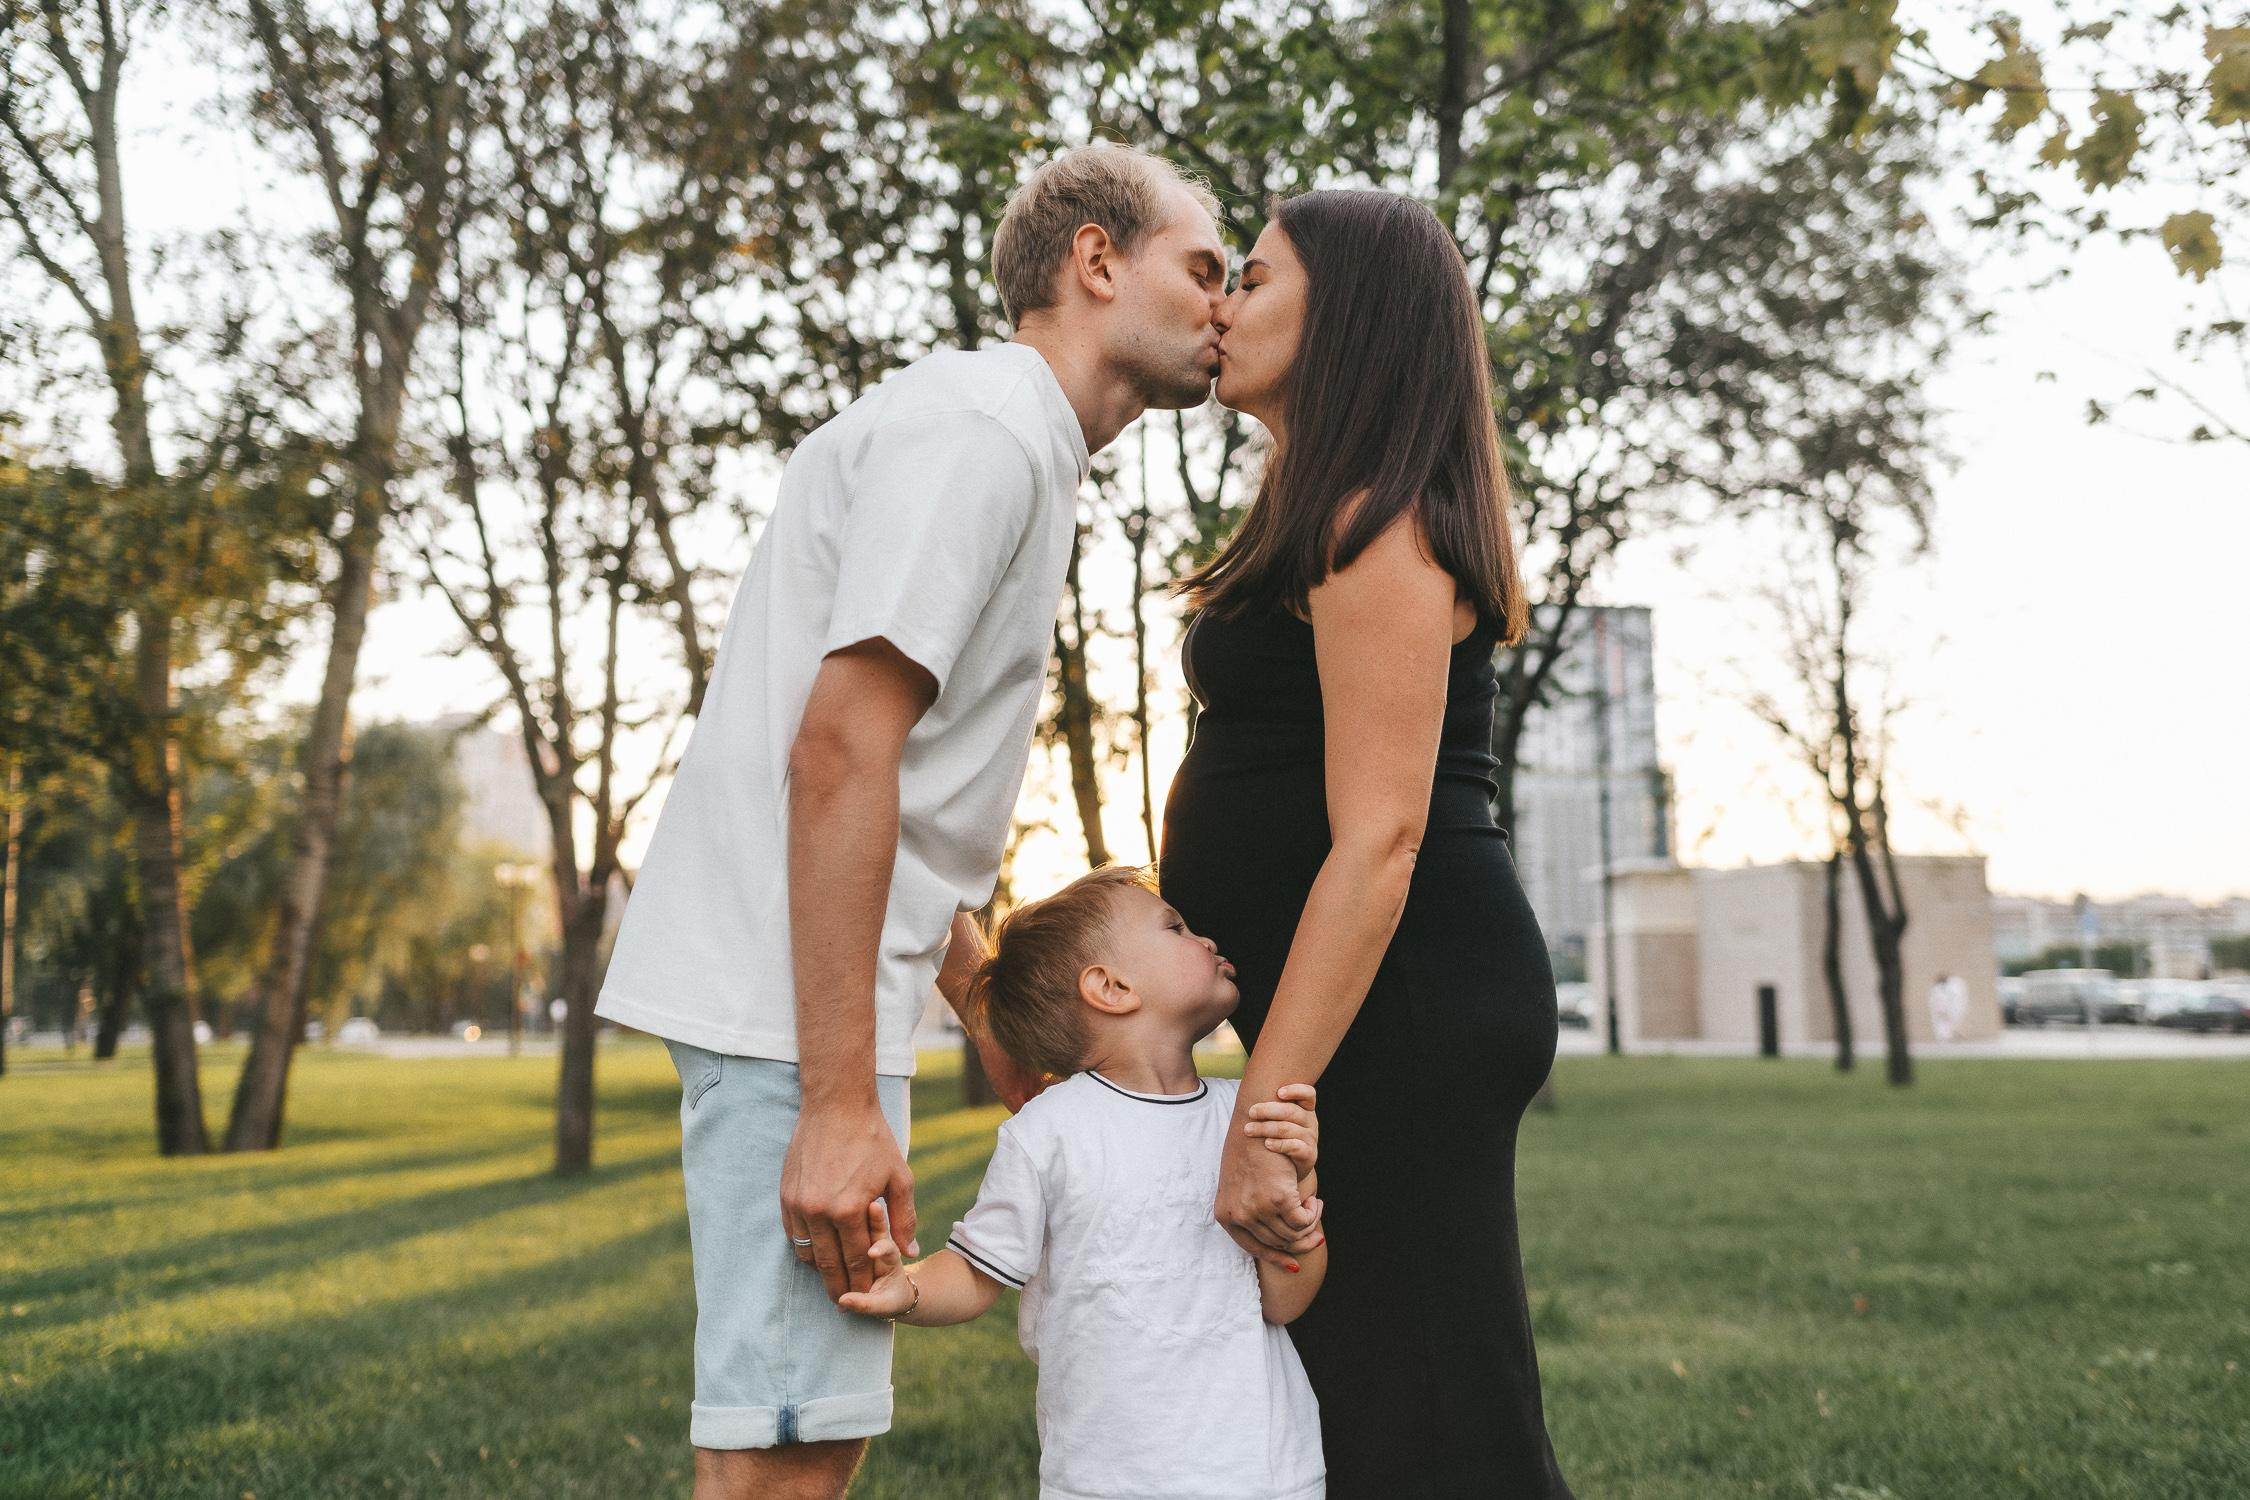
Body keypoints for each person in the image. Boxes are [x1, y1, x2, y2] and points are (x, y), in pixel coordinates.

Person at [593, 143, 1229, 1500]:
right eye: (1203, 269)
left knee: (805, 1445)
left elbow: (903, 791)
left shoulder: (1012, 442)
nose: (1224, 308)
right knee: (778, 1464)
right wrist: (833, 1102)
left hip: (807, 1000)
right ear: (1096, 263)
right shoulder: (988, 434)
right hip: (789, 1019)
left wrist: (987, 1003)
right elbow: (836, 755)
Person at [1159, 189, 1577, 1497]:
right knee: (1375, 1414)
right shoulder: (1324, 508)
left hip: (1405, 1006)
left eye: (1254, 279)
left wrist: (1264, 1120)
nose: (1219, 304)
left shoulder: (1374, 524)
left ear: (1345, 320)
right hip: (1372, 1007)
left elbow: (1383, 840)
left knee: (1441, 1427)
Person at [838, 864, 1328, 1500]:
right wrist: (903, 1288)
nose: (1206, 939)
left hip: (1263, 1471)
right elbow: (976, 1272)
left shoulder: (1249, 1119)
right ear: (1111, 987)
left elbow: (1285, 1300)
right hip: (1108, 1477)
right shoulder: (1049, 1134)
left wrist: (1300, 1204)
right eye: (1176, 928)